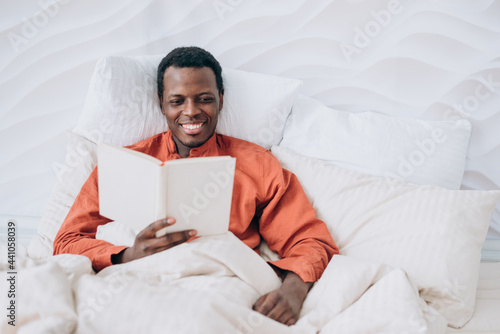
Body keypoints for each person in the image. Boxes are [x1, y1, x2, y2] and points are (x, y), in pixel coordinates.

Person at [53, 46, 338, 326]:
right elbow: (66, 242)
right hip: (137, 280)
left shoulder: (258, 165)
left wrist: (293, 292)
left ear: (221, 99)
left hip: (218, 286)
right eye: (177, 101)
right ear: (161, 102)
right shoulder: (123, 163)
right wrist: (128, 254)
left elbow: (309, 241)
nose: (191, 112)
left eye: (204, 99)